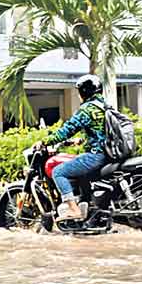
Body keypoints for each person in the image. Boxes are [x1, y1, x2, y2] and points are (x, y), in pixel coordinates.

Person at [43, 73, 111, 222]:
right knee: (79, 164)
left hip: (96, 155)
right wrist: (79, 141)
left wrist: (44, 142)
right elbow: (99, 131)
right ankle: (85, 202)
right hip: (108, 153)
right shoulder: (106, 106)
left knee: (58, 171)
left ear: (84, 92)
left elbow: (67, 130)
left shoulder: (88, 109)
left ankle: (74, 210)